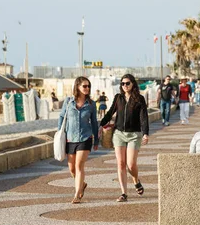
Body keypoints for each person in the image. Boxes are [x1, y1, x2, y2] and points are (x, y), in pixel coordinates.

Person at [100, 74, 149, 202]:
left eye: (127, 83)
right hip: (119, 134)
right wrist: (100, 125)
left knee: (131, 164)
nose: (125, 86)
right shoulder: (118, 98)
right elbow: (110, 113)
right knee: (121, 163)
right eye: (122, 84)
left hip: (134, 135)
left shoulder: (139, 99)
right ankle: (124, 193)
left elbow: (143, 117)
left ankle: (136, 180)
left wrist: (145, 133)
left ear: (133, 84)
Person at [58, 76, 99, 204]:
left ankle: (77, 194)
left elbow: (94, 123)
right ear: (77, 87)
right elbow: (61, 116)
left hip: (85, 137)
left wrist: (96, 140)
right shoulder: (68, 102)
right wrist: (59, 132)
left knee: (79, 165)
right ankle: (82, 184)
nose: (87, 88)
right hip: (70, 138)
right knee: (71, 168)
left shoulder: (91, 104)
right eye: (84, 86)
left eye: (88, 86)